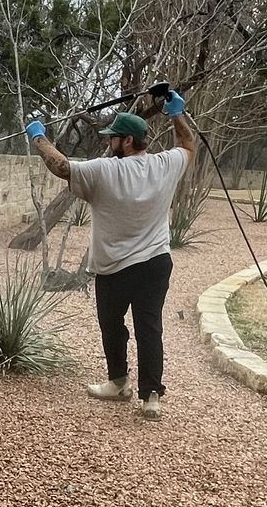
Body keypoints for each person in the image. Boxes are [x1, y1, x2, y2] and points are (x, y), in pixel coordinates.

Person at [25, 91, 196, 418]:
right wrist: (177, 115)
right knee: (150, 327)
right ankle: (150, 398)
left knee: (112, 325)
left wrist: (38, 137)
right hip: (156, 263)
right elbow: (188, 146)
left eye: (113, 138)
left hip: (115, 268)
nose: (109, 143)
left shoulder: (104, 171)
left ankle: (119, 383)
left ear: (128, 141)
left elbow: (60, 166)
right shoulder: (166, 165)